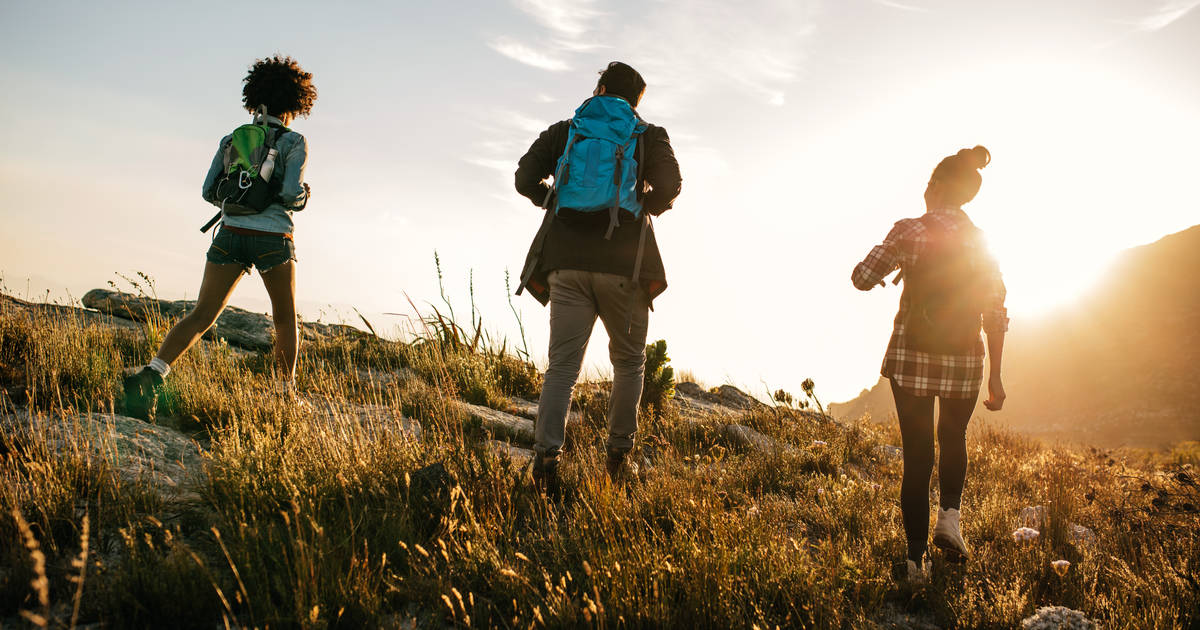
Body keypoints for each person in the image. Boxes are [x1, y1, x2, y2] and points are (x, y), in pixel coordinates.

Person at [514, 61, 682, 494]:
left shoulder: (566, 130)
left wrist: (550, 198)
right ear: (634, 101)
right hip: (625, 265)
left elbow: (523, 178)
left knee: (563, 367)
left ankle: (547, 461)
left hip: (566, 263)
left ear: (601, 88)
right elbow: (670, 184)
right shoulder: (648, 134)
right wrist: (645, 207)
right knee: (629, 363)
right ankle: (617, 461)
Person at [122, 55, 315, 419]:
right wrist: (304, 195)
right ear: (295, 103)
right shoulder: (294, 142)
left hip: (229, 234)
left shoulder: (233, 139)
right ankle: (285, 396)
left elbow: (210, 191)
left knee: (202, 314)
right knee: (285, 320)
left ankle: (153, 373)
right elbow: (291, 195)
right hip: (273, 239)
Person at [851, 145, 1007, 582]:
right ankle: (950, 520)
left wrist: (890, 264)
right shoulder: (982, 242)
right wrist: (995, 375)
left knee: (918, 458)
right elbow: (996, 312)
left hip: (912, 357)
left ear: (936, 187)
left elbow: (861, 278)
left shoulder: (909, 230)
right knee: (953, 435)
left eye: (927, 184)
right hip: (965, 362)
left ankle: (915, 563)